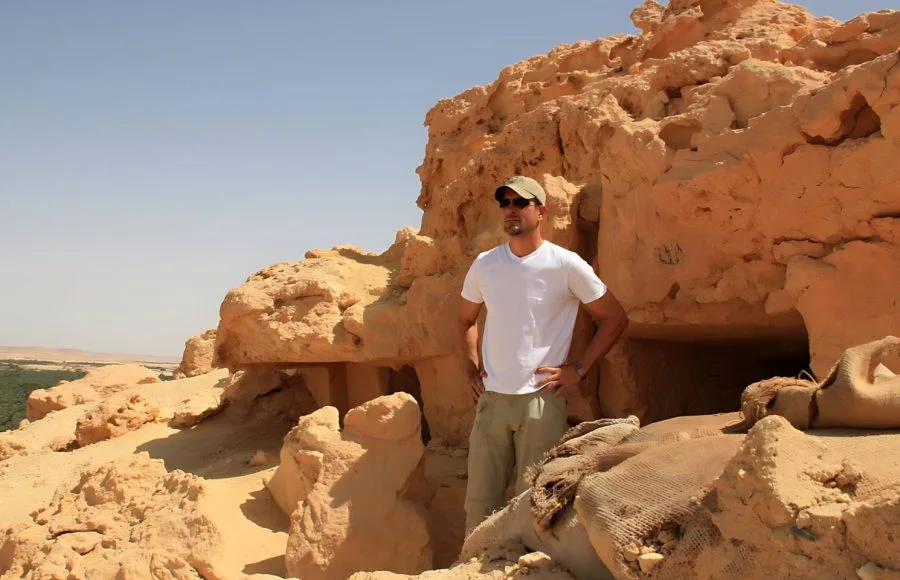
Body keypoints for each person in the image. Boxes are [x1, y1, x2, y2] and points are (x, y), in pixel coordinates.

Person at [458, 175, 629, 534]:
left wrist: (578, 369)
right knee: (479, 505)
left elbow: (614, 318)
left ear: (542, 212)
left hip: (541, 402)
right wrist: (472, 371)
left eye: (521, 203)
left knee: (532, 506)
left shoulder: (565, 264)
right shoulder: (486, 264)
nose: (510, 210)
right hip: (492, 402)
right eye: (504, 203)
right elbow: (465, 320)